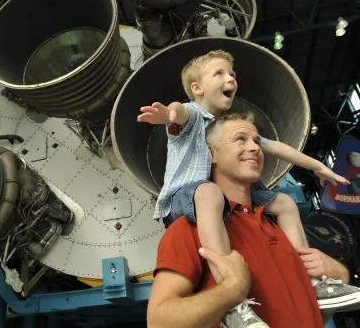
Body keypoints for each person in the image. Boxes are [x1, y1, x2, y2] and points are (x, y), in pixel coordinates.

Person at [137, 50, 352, 326]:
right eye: (220, 73)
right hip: (187, 197)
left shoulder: (274, 227)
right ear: (197, 88)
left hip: (211, 198)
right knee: (209, 193)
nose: (253, 147)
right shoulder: (193, 116)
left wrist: (317, 166)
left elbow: (278, 147)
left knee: (285, 202)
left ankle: (315, 283)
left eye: (232, 74)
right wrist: (168, 113)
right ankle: (236, 307)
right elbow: (180, 112)